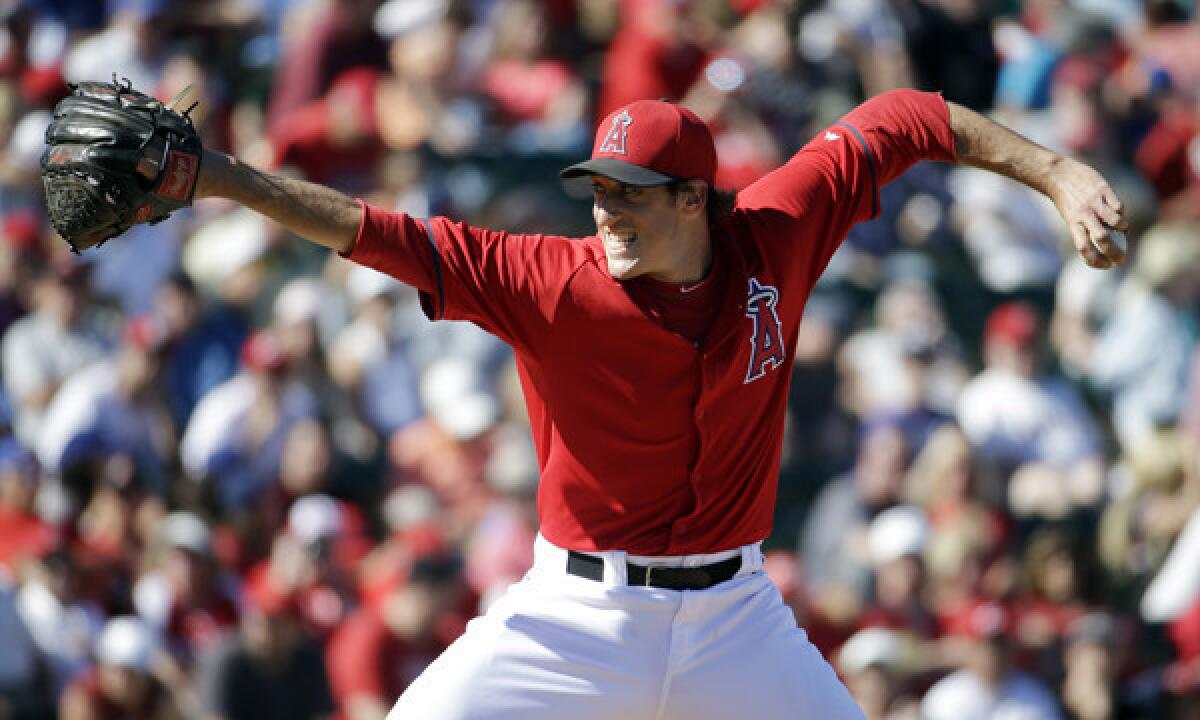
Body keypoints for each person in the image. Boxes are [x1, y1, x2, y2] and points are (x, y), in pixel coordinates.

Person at [187, 87, 1127, 717]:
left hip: (738, 617)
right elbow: (368, 230)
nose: (606, 211)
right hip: (573, 618)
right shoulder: (553, 282)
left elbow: (908, 118)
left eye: (630, 193)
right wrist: (221, 177)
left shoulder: (777, 231)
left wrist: (1059, 172)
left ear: (695, 200)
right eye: (598, 190)